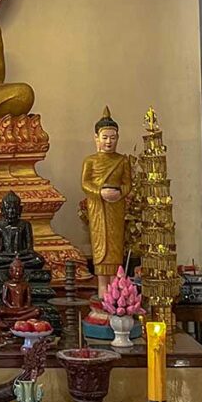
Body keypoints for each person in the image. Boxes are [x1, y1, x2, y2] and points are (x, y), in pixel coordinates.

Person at [82, 107, 132, 295]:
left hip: (115, 208)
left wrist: (119, 194)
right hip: (97, 207)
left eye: (113, 137)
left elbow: (128, 184)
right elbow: (85, 183)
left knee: (115, 245)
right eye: (105, 137)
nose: (109, 141)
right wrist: (100, 192)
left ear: (117, 138)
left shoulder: (122, 161)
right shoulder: (90, 161)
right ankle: (103, 290)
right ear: (96, 138)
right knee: (100, 245)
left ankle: (116, 294)